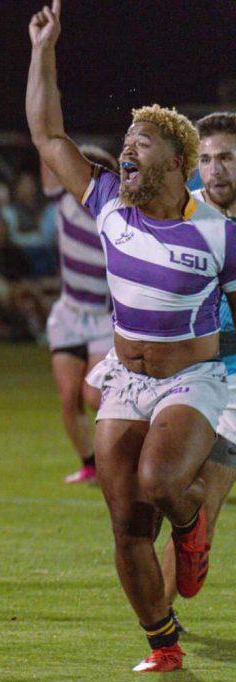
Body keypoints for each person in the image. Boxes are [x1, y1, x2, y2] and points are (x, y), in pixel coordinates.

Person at [27, 0, 236, 673]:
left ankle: (194, 524)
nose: (127, 149)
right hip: (126, 382)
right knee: (125, 522)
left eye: (142, 141)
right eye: (126, 140)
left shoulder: (219, 234)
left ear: (179, 161)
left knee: (159, 482)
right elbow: (47, 133)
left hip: (191, 382)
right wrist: (43, 50)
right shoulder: (109, 204)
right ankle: (163, 643)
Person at [158, 111, 236, 621]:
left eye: (226, 157)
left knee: (205, 496)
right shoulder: (182, 216)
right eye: (205, 159)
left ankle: (160, 633)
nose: (215, 171)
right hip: (186, 376)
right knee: (162, 495)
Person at [42, 145, 118, 485]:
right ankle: (91, 465)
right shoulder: (64, 202)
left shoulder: (114, 216)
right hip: (70, 314)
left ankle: (121, 457)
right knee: (69, 397)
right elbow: (45, 146)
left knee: (93, 395)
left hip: (103, 318)